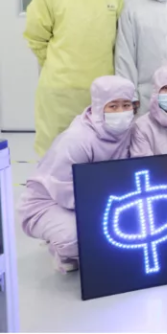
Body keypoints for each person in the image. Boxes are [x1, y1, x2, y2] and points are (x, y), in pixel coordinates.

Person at [24, 0, 124, 156]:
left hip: (103, 88)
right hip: (61, 90)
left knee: (100, 152)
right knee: (57, 153)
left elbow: (121, 38)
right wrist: (59, 65)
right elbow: (36, 37)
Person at [20, 76, 136, 272]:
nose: (121, 112)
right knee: (76, 239)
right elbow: (63, 187)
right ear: (99, 106)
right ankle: (61, 248)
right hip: (50, 201)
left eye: (126, 105)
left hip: (98, 200)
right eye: (113, 106)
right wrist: (104, 212)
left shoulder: (130, 131)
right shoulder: (77, 139)